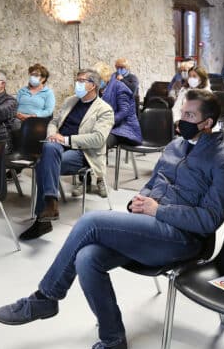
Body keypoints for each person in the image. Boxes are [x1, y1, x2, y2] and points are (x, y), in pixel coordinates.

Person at [0, 90, 224, 349]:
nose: (181, 120)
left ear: (207, 123)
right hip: (152, 227)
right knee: (87, 257)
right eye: (182, 113)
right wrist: (139, 200)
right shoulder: (176, 145)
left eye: (189, 115)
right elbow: (155, 182)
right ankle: (112, 339)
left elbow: (209, 220)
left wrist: (157, 211)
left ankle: (45, 298)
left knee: (91, 222)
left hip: (183, 239)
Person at [19, 70, 114, 241]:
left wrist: (66, 139)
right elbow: (54, 122)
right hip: (57, 146)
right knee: (49, 148)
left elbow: (98, 139)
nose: (77, 84)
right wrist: (52, 135)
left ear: (93, 85)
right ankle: (50, 203)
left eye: (81, 81)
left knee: (43, 165)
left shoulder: (104, 109)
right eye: (77, 80)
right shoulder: (71, 101)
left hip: (83, 152)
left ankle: (43, 219)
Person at [97, 62, 142, 150]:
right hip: (110, 125)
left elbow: (123, 112)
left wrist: (106, 122)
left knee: (100, 142)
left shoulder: (120, 87)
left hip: (124, 128)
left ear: (104, 77)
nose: (95, 81)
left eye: (97, 78)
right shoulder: (100, 89)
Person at [14, 63, 55, 130]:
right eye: (31, 74)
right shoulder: (22, 90)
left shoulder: (48, 93)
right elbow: (14, 105)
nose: (32, 77)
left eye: (36, 75)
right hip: (18, 118)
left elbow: (48, 111)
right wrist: (17, 114)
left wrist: (33, 116)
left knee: (27, 127)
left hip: (36, 120)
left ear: (43, 78)